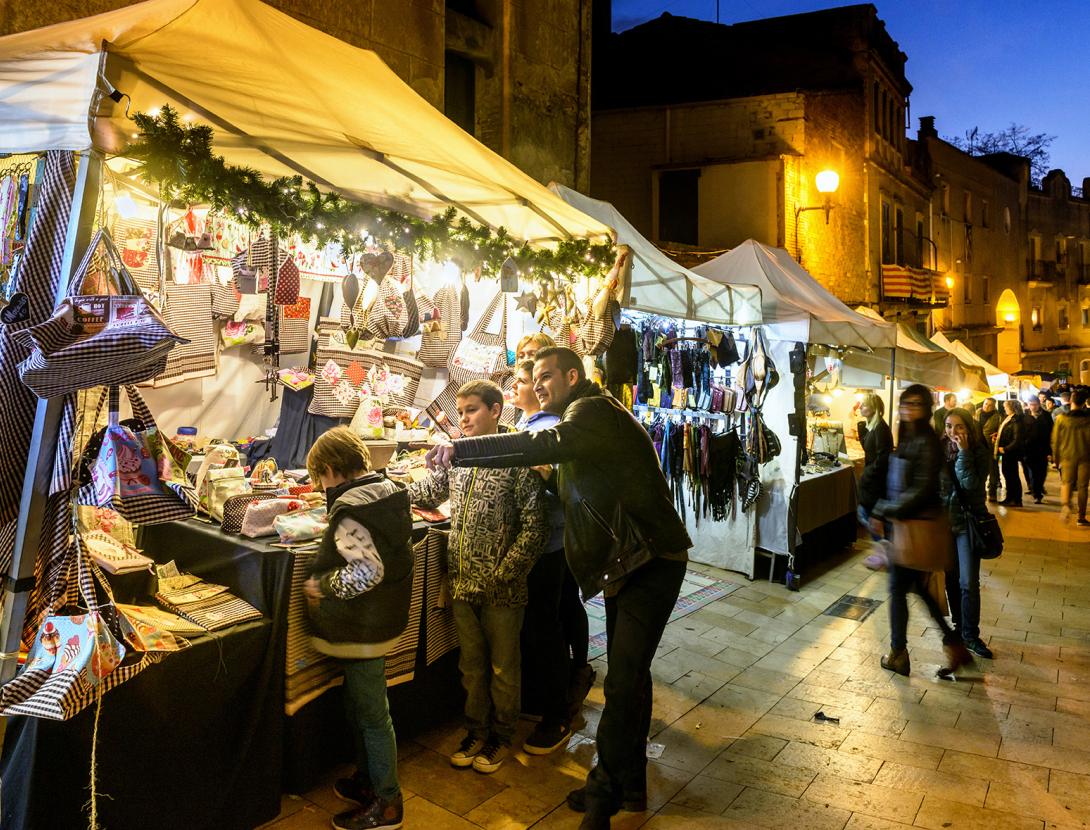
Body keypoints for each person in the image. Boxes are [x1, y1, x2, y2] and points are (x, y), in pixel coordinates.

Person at [426, 347, 691, 830]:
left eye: (546, 376)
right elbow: (573, 485)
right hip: (629, 561)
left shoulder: (590, 411)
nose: (539, 383)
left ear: (573, 376)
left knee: (624, 678)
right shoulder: (589, 417)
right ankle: (628, 784)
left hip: (649, 559)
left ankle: (601, 799)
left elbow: (537, 445)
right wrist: (548, 483)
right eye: (534, 377)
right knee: (632, 676)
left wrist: (460, 450)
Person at [409, 380, 548, 774]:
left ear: (496, 410)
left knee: (504, 668)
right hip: (462, 581)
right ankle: (475, 730)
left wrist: (506, 575)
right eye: (461, 410)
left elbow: (534, 528)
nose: (464, 419)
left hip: (502, 589)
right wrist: (377, 496)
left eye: (472, 410)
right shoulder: (460, 457)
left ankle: (501, 736)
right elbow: (427, 491)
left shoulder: (517, 457)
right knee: (471, 665)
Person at [304, 427, 413, 830]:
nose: (319, 488)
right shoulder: (387, 490)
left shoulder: (350, 510)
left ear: (331, 470)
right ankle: (369, 780)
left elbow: (368, 570)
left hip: (364, 623)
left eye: (320, 480)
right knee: (361, 706)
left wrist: (323, 585)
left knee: (371, 713)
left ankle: (387, 803)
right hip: (381, 616)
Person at [511, 360, 594, 754]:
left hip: (547, 541)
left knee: (545, 626)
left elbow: (559, 485)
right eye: (533, 379)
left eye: (538, 378)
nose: (528, 386)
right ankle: (556, 697)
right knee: (551, 620)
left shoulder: (548, 429)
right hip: (550, 540)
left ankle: (558, 713)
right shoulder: (534, 427)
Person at [870, 385, 971, 678]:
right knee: (917, 591)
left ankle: (898, 653)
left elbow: (922, 488)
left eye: (916, 403)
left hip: (917, 530)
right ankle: (953, 644)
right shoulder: (910, 437)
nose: (908, 408)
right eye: (905, 403)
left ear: (926, 407)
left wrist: (885, 510)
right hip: (907, 527)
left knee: (899, 590)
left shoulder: (926, 441)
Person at [940, 408, 994, 660]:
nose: (953, 432)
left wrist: (963, 454)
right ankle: (959, 628)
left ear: (969, 428)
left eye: (959, 427)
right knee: (951, 580)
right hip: (944, 524)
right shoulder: (940, 449)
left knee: (968, 582)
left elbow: (971, 485)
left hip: (967, 524)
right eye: (949, 426)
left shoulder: (979, 452)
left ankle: (971, 635)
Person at [1052, 386, 1090, 525]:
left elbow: (1055, 441)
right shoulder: (1088, 420)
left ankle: (1066, 506)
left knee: (1066, 483)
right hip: (1085, 457)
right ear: (1084, 402)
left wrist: (1056, 459)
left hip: (1067, 456)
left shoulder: (1061, 419)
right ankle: (1081, 516)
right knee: (1083, 487)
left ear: (1071, 401)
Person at [856, 392, 893, 537]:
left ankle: (886, 550)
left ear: (873, 408)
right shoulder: (873, 427)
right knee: (867, 516)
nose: (860, 407)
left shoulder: (880, 428)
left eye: (864, 405)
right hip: (872, 483)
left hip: (875, 485)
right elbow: (867, 448)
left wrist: (867, 473)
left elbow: (883, 458)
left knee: (870, 519)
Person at [1022, 397, 1053, 504]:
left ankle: (1039, 488)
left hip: (1043, 449)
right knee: (1033, 473)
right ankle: (1037, 494)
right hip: (1029, 450)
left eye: (1035, 404)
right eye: (1031, 404)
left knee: (1042, 472)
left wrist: (1050, 451)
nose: (1033, 407)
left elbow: (1051, 433)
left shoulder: (1046, 416)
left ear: (1039, 404)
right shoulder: (1025, 416)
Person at [995, 399, 1025, 507]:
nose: (1004, 408)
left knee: (1011, 475)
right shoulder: (1009, 418)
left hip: (1010, 452)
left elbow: (1017, 439)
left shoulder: (1016, 420)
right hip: (1007, 451)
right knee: (1007, 474)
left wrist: (1006, 449)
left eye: (1006, 407)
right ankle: (1010, 497)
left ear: (1012, 407)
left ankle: (1016, 499)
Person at [977, 398, 1002, 502]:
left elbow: (1001, 430)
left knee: (993, 470)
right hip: (978, 446)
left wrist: (997, 435)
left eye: (990, 405)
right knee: (979, 470)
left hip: (990, 446)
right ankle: (980, 492)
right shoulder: (977, 413)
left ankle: (992, 492)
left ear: (994, 406)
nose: (986, 406)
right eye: (985, 404)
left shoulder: (998, 417)